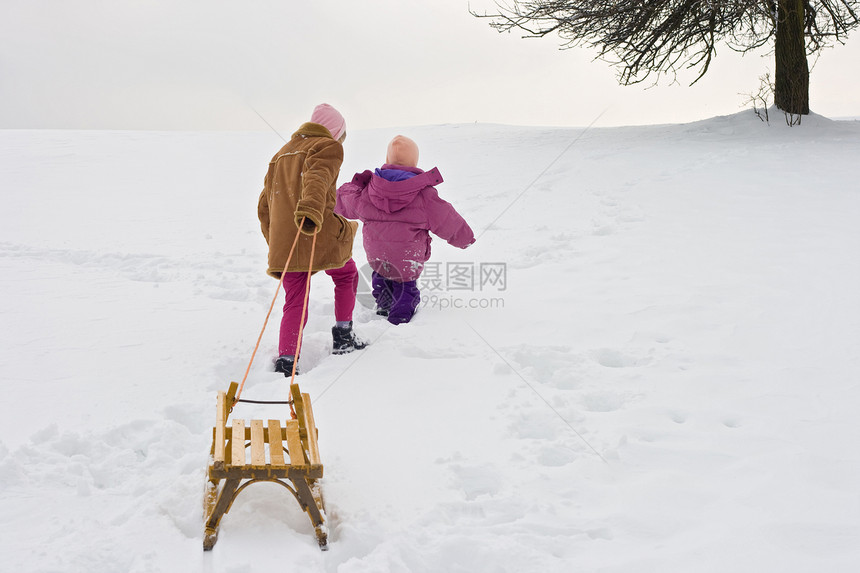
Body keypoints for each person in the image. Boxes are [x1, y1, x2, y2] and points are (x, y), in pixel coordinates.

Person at [257, 103, 366, 375]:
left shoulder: (280, 154)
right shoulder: (327, 147)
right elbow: (317, 178)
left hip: (287, 241)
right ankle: (343, 335)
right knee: (346, 275)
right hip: (316, 229)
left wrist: (275, 239)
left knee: (296, 297)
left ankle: (286, 360)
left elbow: (264, 206)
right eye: (342, 134)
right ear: (336, 132)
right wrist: (310, 211)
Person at [335, 135, 475, 324]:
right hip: (407, 256)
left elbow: (346, 202)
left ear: (387, 160)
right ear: (414, 162)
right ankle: (401, 314)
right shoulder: (424, 195)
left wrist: (351, 187)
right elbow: (446, 218)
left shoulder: (369, 190)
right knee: (405, 285)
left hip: (377, 254)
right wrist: (464, 237)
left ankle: (384, 305)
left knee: (381, 277)